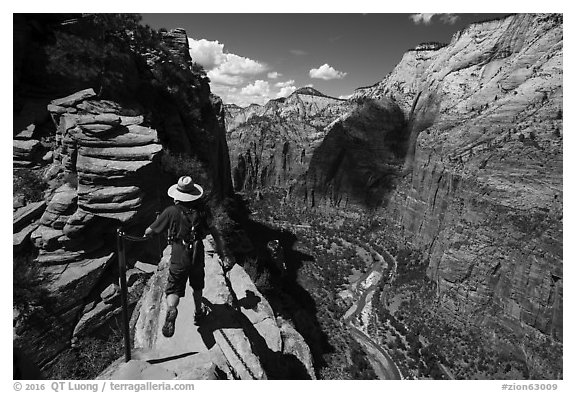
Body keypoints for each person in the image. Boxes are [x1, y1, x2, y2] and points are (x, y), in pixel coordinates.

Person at [144, 176, 211, 337]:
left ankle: (172, 308)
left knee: (174, 287)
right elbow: (208, 230)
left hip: (179, 252)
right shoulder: (202, 211)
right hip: (197, 251)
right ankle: (198, 313)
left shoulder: (171, 212)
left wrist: (149, 232)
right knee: (197, 284)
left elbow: (150, 231)